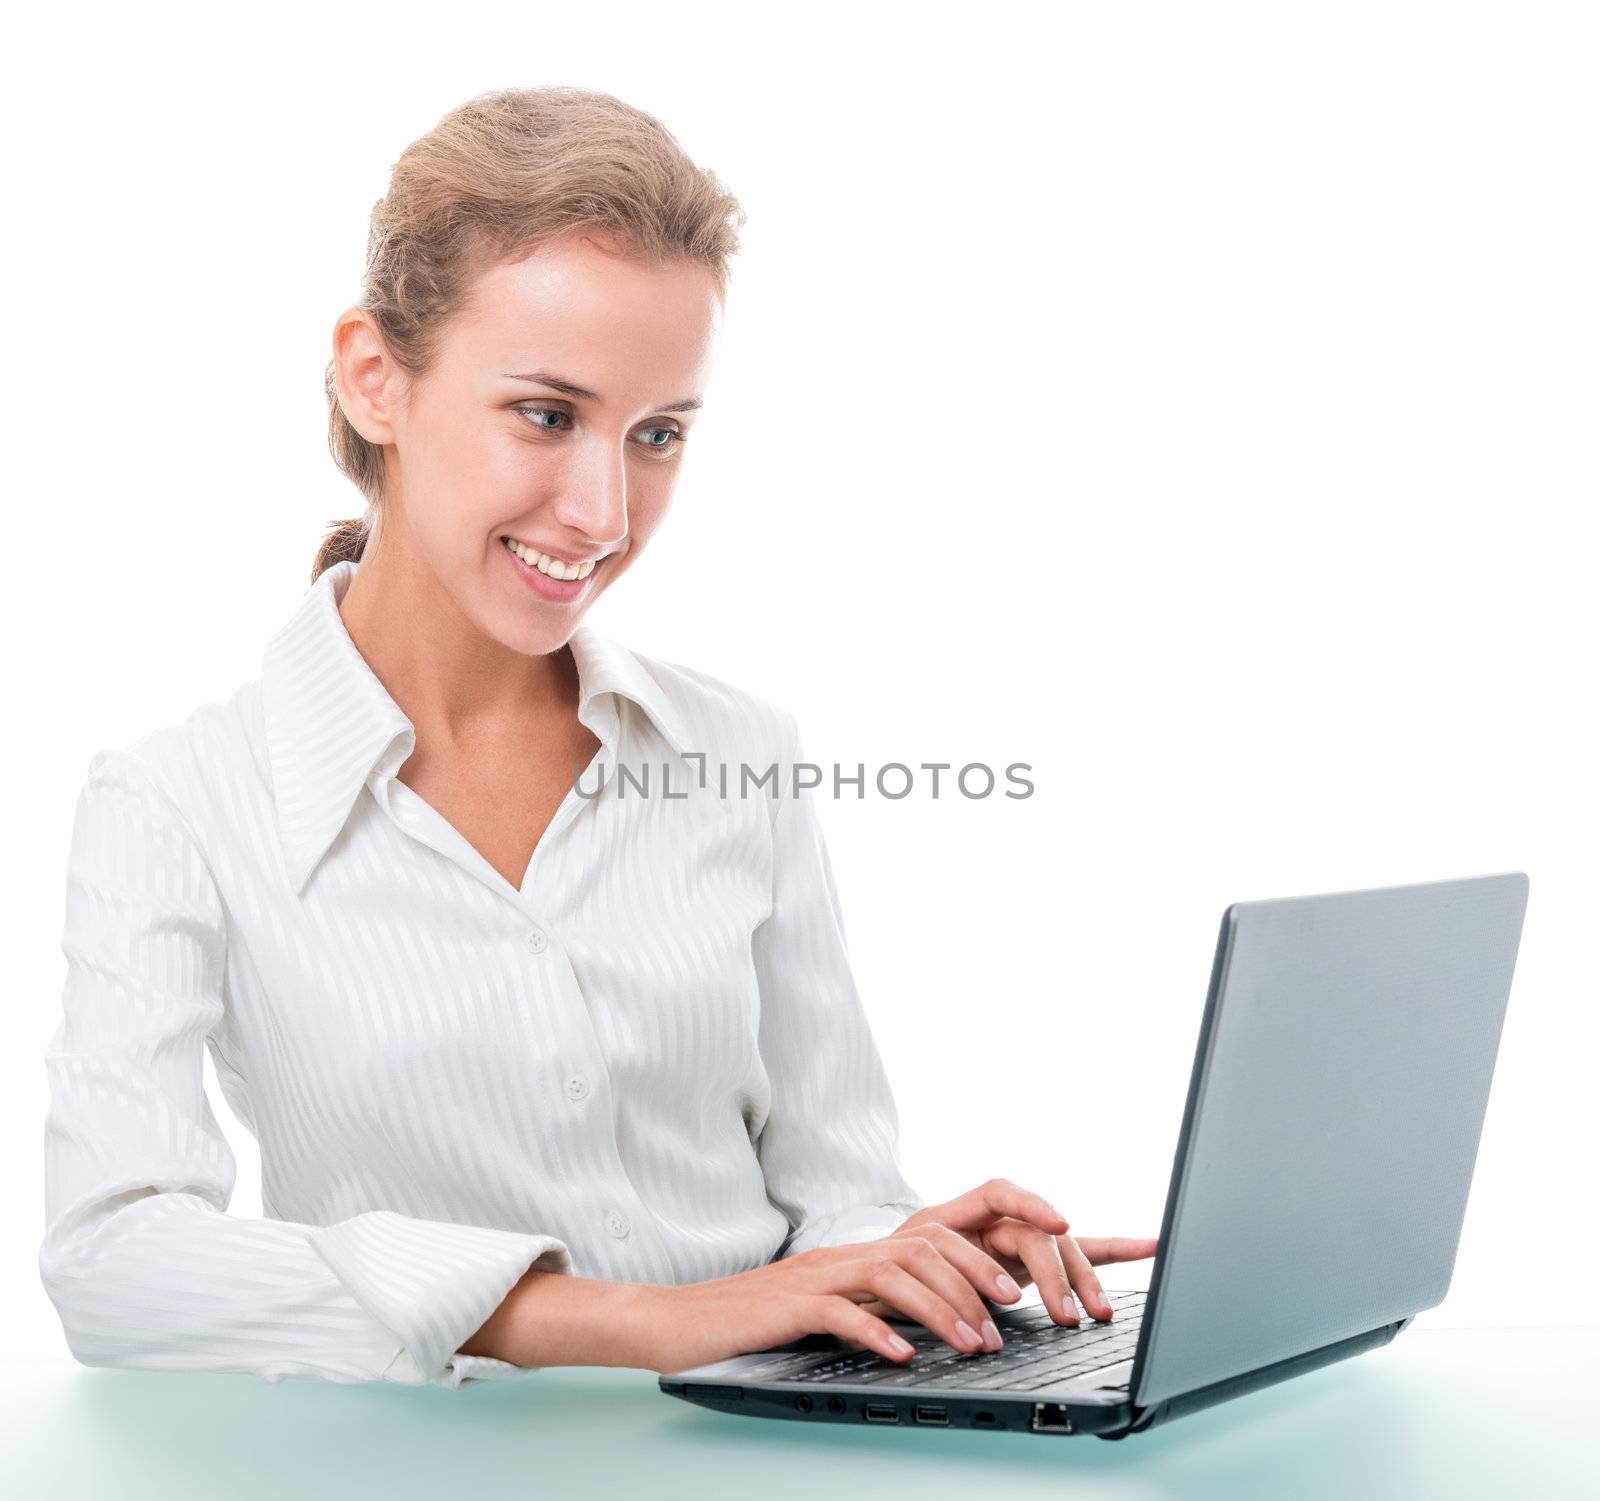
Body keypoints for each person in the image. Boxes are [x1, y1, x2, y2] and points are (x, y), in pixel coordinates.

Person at [38, 85, 1157, 1390]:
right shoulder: (176, 801)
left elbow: (835, 1188)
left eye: (658, 434)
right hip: (435, 1500)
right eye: (547, 414)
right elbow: (113, 1263)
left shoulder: (741, 751)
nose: (602, 510)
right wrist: (631, 1317)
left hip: (766, 1470)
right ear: (375, 378)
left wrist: (897, 1258)